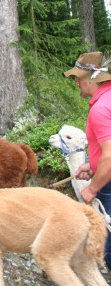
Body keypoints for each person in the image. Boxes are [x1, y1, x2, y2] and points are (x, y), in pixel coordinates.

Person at [64, 51, 111, 270]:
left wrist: (92, 189)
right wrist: (92, 166)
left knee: (108, 243)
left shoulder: (101, 109)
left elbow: (110, 157)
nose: (77, 84)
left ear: (91, 79)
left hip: (108, 185)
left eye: (78, 79)